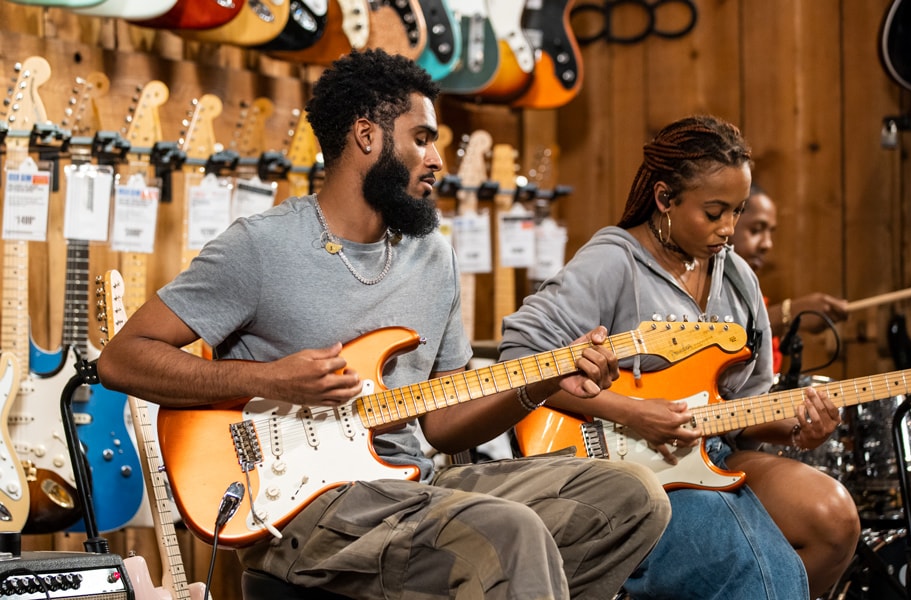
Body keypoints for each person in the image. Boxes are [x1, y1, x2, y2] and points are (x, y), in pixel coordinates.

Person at [96, 49, 671, 599]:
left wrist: (543, 381)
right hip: (304, 508)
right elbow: (122, 358)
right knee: (507, 530)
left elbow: (443, 424)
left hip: (415, 489)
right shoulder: (262, 246)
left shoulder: (432, 255)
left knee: (632, 496)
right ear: (367, 136)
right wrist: (268, 381)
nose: (437, 159)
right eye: (422, 139)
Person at [500, 115, 861, 599]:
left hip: (707, 455)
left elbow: (747, 408)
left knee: (832, 518)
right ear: (665, 198)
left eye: (738, 211)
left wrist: (797, 429)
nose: (729, 229)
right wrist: (633, 412)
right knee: (750, 567)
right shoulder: (614, 261)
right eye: (714, 213)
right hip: (620, 471)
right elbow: (520, 358)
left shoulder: (737, 278)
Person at [732, 184, 849, 341]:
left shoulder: (750, 296)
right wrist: (787, 314)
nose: (768, 244)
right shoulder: (700, 288)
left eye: (771, 232)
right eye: (756, 229)